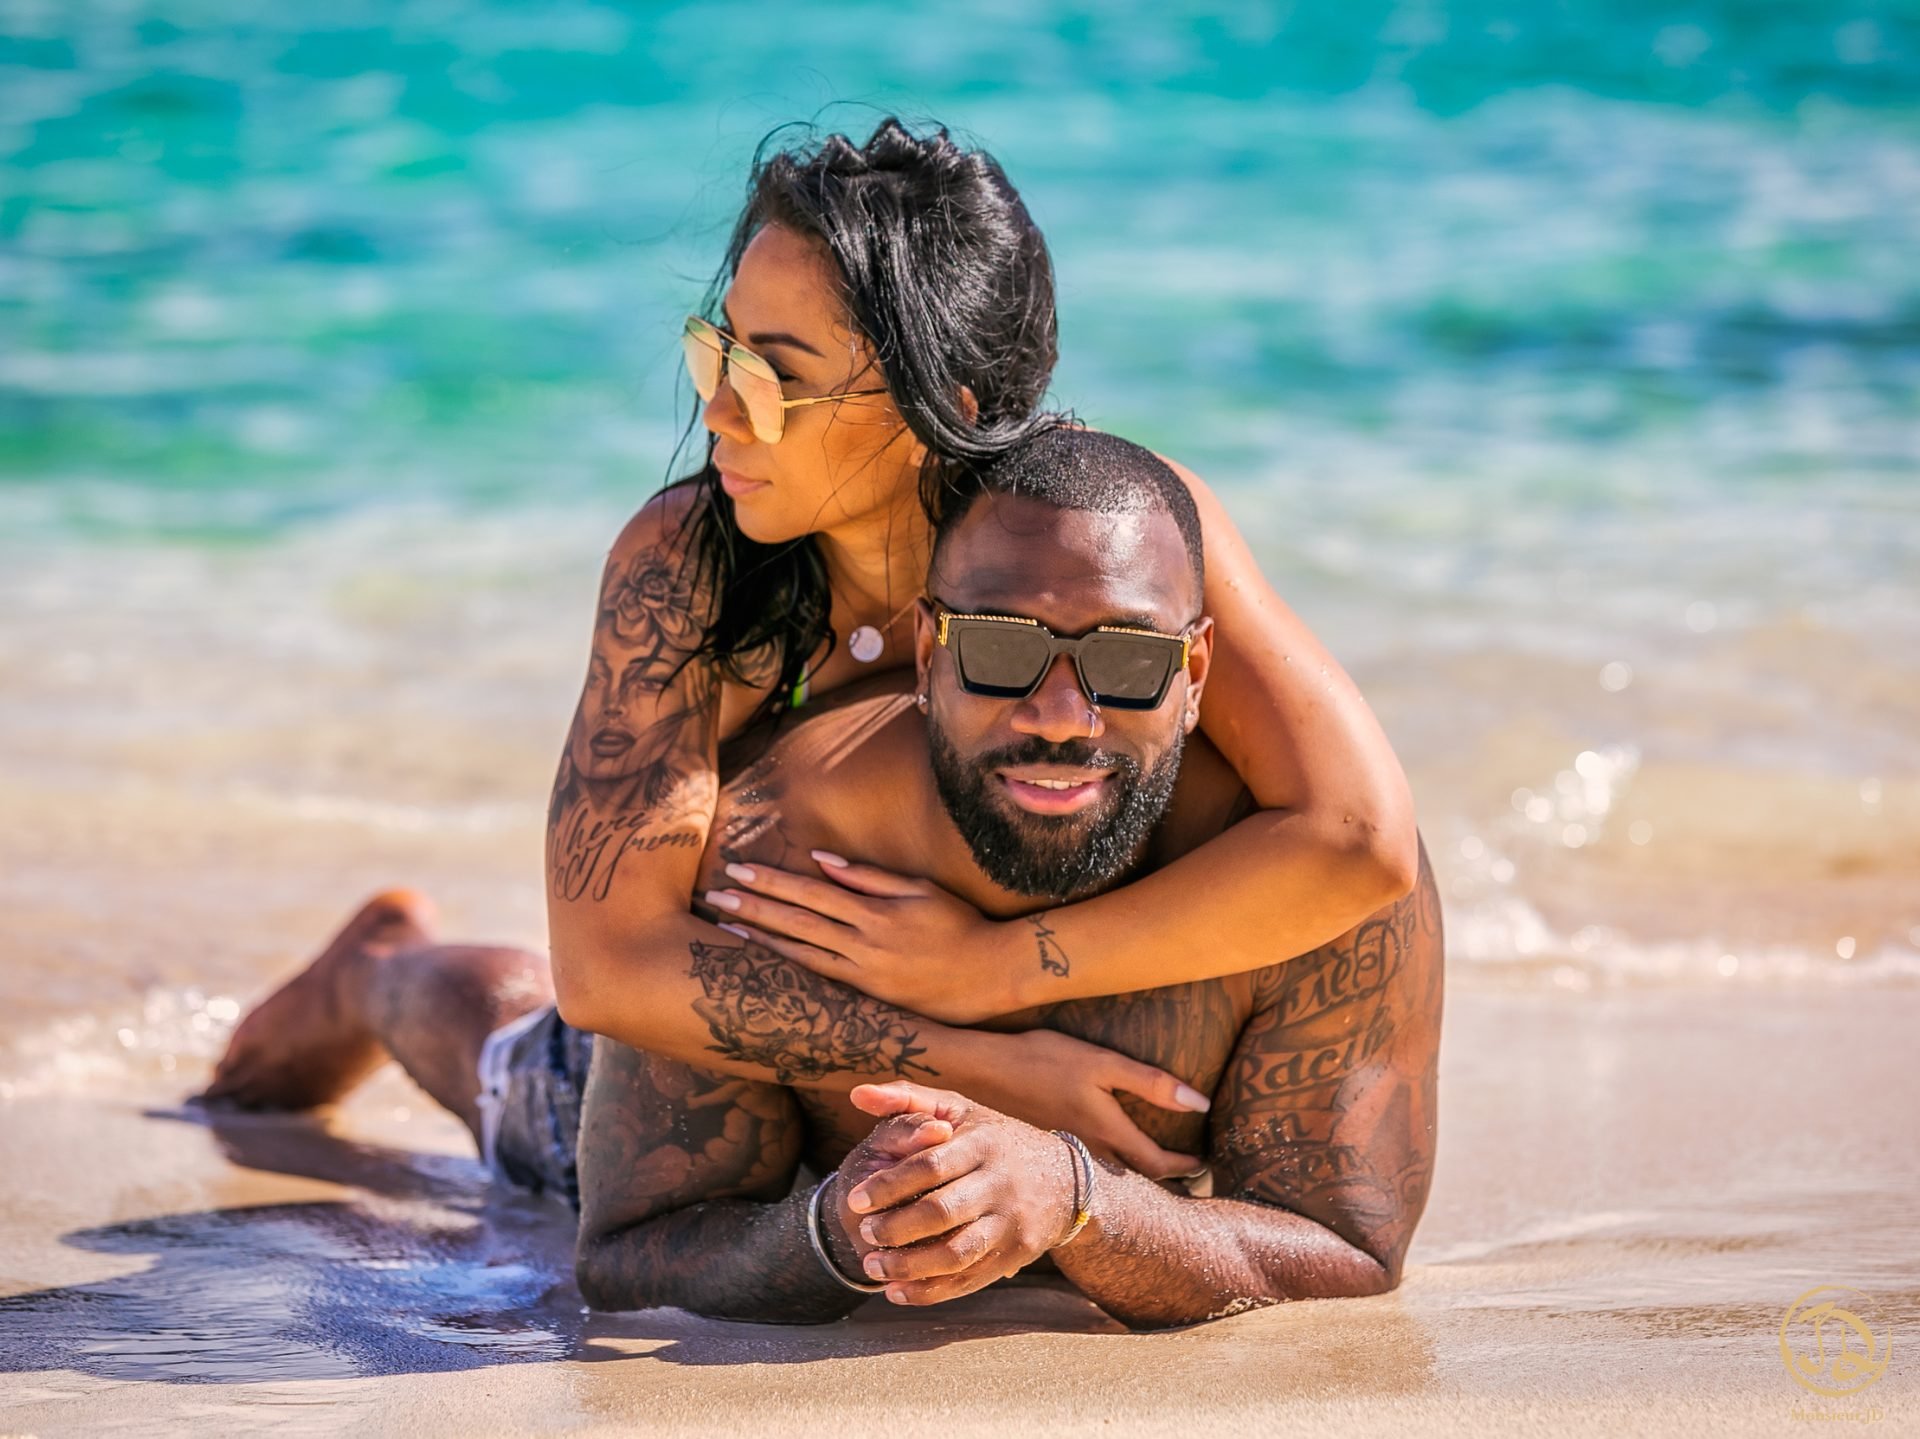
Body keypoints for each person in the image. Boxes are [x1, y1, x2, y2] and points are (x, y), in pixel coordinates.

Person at [203, 428, 1443, 1330]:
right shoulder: (777, 849)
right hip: (674, 1055)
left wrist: (1077, 1200)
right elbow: (628, 1249)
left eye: (1123, 658)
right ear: (925, 647)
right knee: (523, 1079)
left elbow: (1349, 1244)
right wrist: (832, 1233)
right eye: (1007, 650)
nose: (1064, 715)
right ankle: (375, 969)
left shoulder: (1312, 889)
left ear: (1197, 664)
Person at [535, 117, 1421, 1163]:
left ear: (935, 405)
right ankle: (381, 972)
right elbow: (604, 968)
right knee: (482, 1042)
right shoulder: (693, 567)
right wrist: (974, 1059)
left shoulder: (1114, 537)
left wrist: (995, 969)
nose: (721, 409)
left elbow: (1358, 838)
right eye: (715, 350)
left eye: (774, 377)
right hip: (670, 1100)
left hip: (899, 1109)